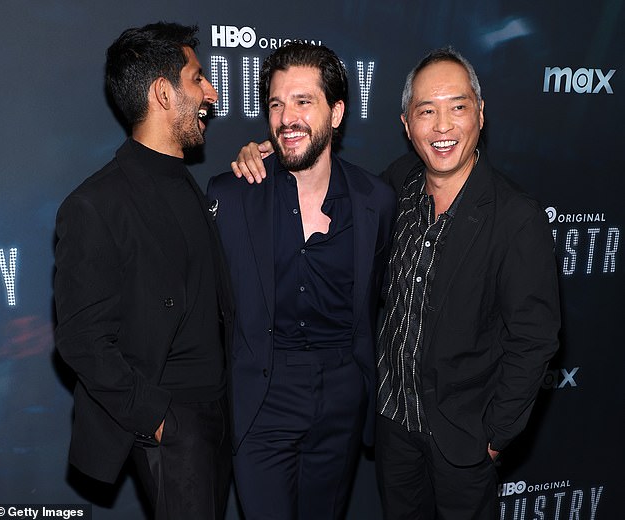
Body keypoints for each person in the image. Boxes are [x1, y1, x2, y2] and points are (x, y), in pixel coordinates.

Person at [231, 47, 560, 520]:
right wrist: (262, 149)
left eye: (457, 107)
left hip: (463, 443)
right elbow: (313, 169)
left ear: (481, 115)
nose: (442, 126)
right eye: (427, 111)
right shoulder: (394, 187)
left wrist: (495, 437)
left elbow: (535, 338)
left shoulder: (516, 217)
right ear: (407, 124)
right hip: (393, 430)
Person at [207, 42, 396, 519]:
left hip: (342, 400)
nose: (286, 117)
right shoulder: (232, 195)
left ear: (336, 112)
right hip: (263, 400)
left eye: (302, 102)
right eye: (276, 103)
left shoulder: (376, 199)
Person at [54, 22, 234, 519]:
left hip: (219, 412)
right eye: (198, 79)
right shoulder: (96, 204)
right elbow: (80, 340)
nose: (212, 94)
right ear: (162, 92)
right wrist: (158, 419)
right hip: (173, 422)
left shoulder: (189, 185)